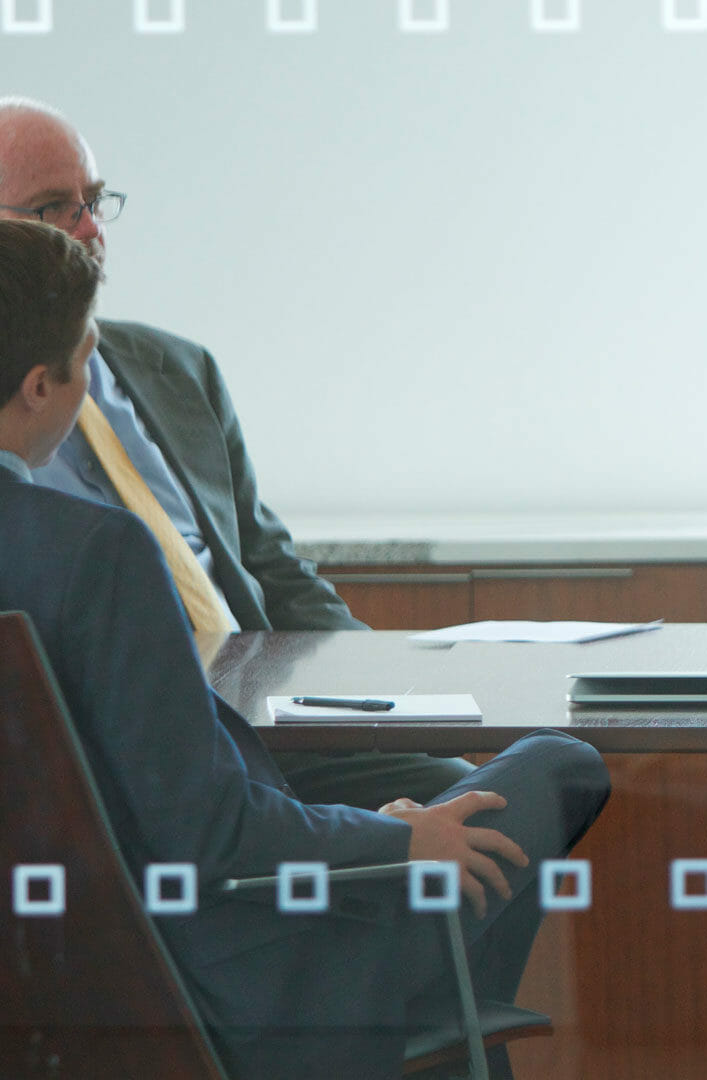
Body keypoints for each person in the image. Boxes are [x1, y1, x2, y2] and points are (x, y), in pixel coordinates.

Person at [0, 217, 611, 1080]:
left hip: (48, 980)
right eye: (86, 362)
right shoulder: (97, 553)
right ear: (36, 386)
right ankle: (410, 1023)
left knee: (445, 883)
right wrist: (395, 846)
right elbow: (204, 836)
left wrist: (369, 830)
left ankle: (424, 1021)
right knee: (559, 764)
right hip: (222, 980)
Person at [0, 96, 471, 808]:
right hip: (121, 757)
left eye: (95, 201)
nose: (90, 229)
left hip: (271, 722)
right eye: (54, 208)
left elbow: (271, 570)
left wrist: (391, 685)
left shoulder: (180, 369)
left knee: (480, 803)